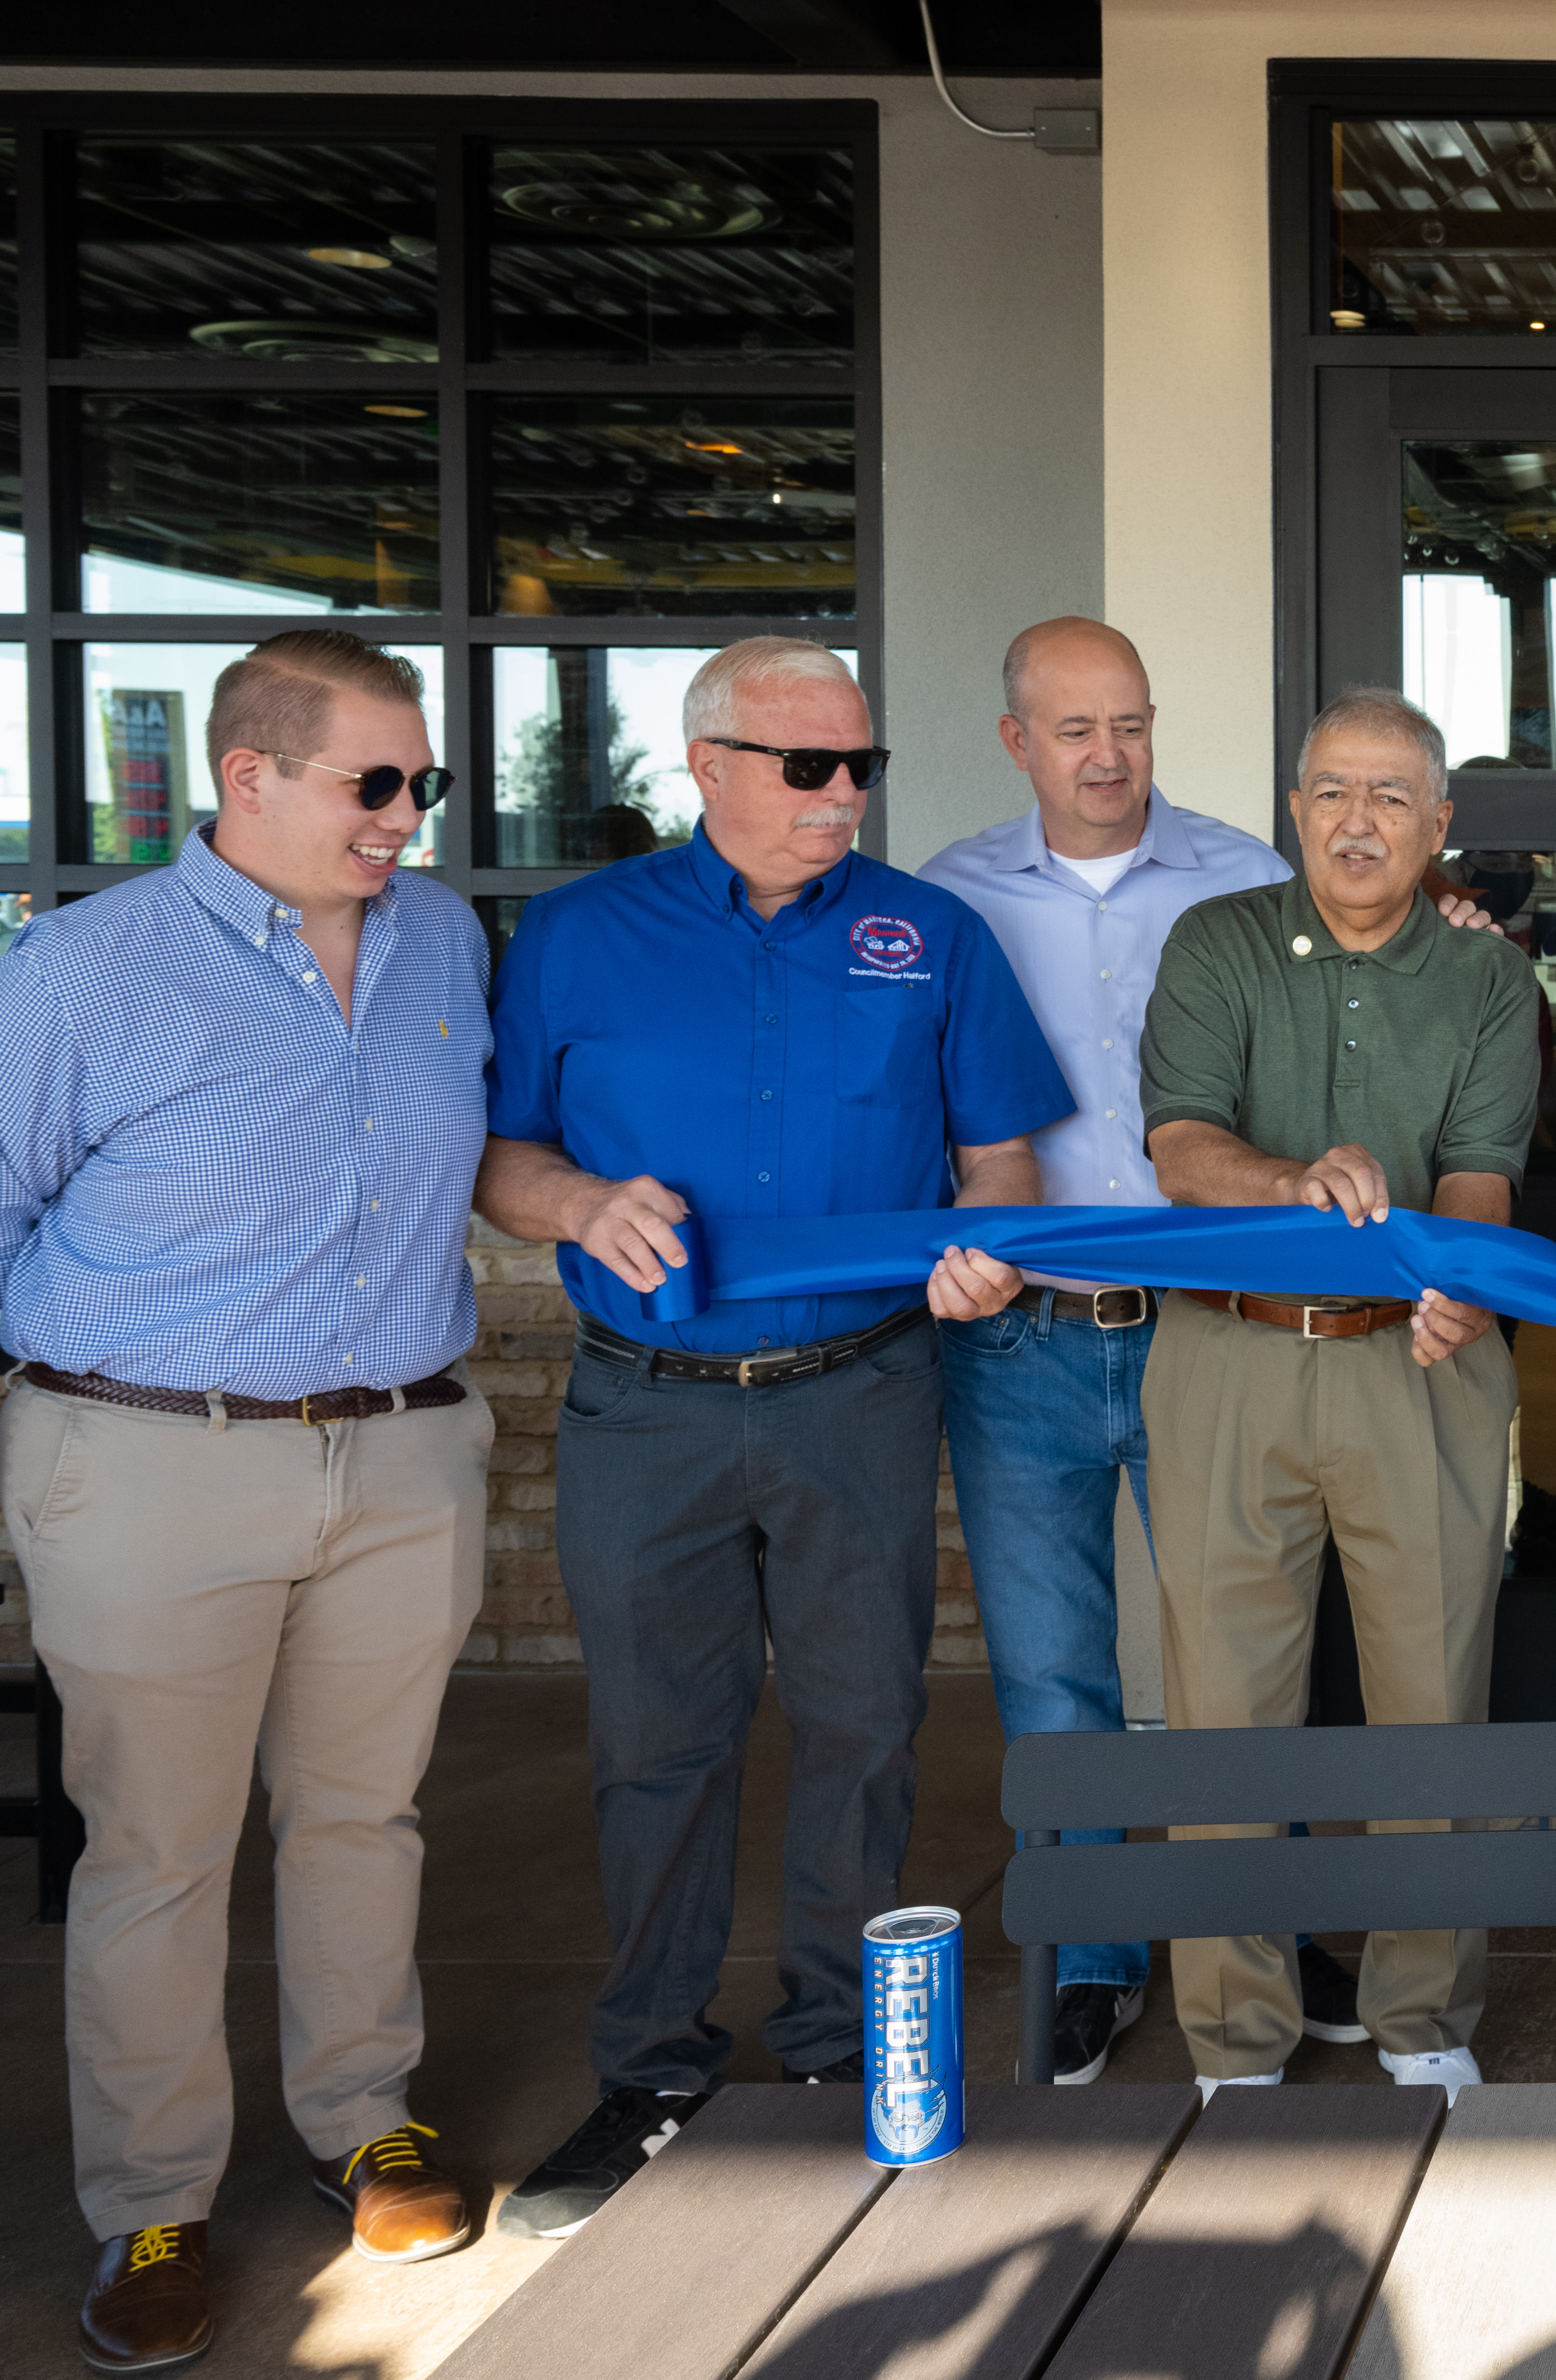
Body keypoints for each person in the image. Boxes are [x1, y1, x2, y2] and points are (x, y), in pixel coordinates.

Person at [481, 638, 1060, 2235]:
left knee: (867, 1733)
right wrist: (581, 1203)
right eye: (810, 767)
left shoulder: (930, 933)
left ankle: (834, 2062)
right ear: (710, 765)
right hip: (642, 1409)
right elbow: (501, 1155)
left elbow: (1000, 1158)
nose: (845, 795)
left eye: (861, 765)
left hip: (859, 1393)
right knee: (656, 1748)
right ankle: (655, 2069)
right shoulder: (577, 936)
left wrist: (982, 1248)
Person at [0, 634, 491, 2371]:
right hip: (148, 1454)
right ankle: (153, 2204)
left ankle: (365, 2119)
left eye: (422, 783)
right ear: (250, 777)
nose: (407, 817)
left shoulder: (442, 937)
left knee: (367, 1816)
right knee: (156, 1850)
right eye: (376, 785)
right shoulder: (78, 972)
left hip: (401, 1452)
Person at [1139, 686, 1541, 2099]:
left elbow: (1482, 1170)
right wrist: (1286, 1182)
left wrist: (1465, 1272)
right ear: (1293, 806)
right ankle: (1237, 2043)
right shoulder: (1218, 942)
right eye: (1329, 790)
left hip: (1415, 1361)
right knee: (1224, 1705)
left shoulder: (1491, 978)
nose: (1355, 819)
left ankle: (1421, 2016)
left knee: (1433, 1692)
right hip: (1229, 1355)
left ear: (1440, 823)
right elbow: (1181, 1142)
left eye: (1388, 796)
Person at [915, 617, 1293, 2084]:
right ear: (1018, 742)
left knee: (1235, 1659)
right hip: (1020, 1339)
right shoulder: (944, 894)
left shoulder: (1248, 872)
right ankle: (1087, 1961)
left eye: (1128, 724)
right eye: (1073, 732)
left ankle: (1253, 1936)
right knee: (1052, 1668)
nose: (1107, 756)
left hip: (1209, 1323)